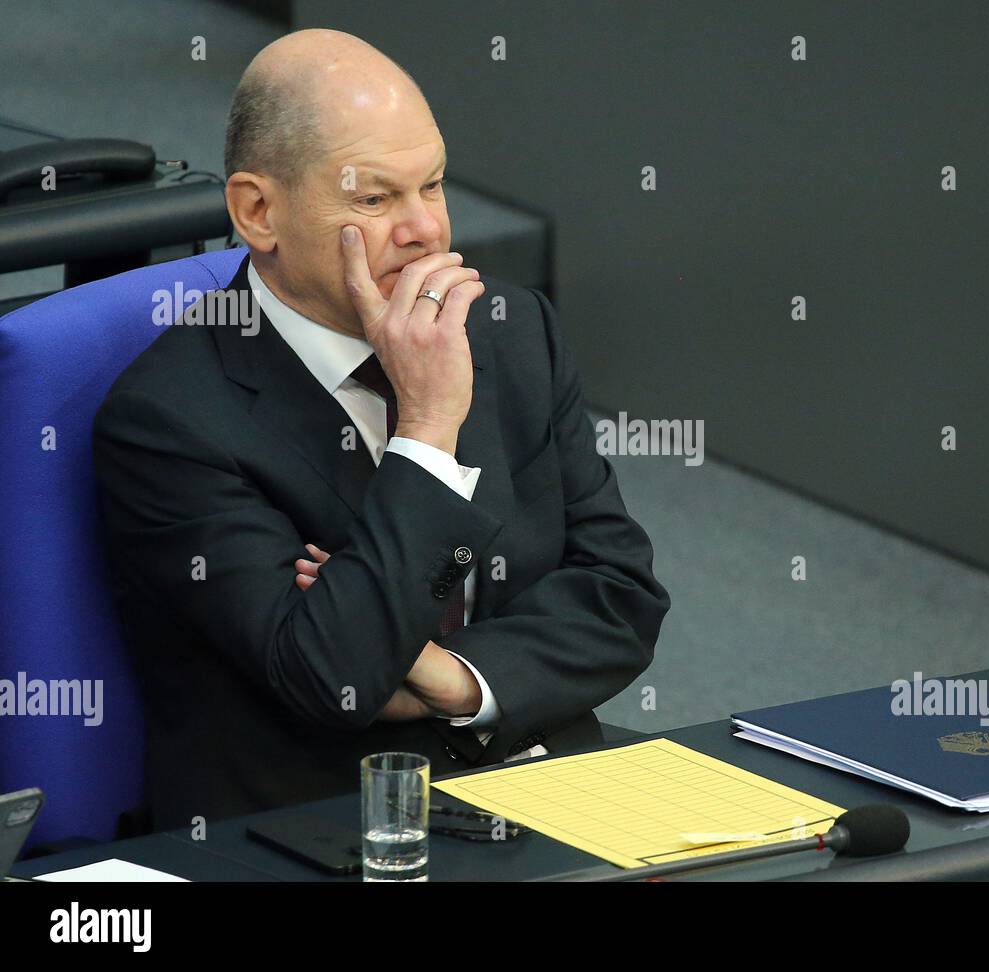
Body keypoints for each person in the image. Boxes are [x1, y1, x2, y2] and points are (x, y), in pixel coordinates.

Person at [92, 29, 669, 830]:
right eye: (374, 198)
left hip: (546, 793)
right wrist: (428, 426)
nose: (426, 230)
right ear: (259, 212)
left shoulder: (509, 330)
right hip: (323, 832)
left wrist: (450, 677)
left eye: (431, 186)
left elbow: (621, 596)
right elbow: (334, 677)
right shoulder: (170, 419)